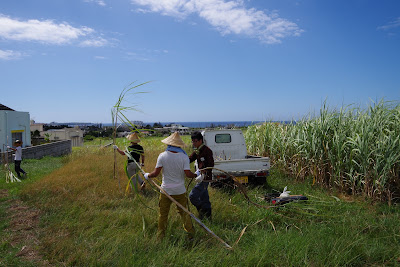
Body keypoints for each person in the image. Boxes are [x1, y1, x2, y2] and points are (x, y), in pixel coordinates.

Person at [144, 132, 203, 240]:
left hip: (165, 191)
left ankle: (160, 236)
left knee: (163, 215)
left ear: (169, 144)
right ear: (179, 145)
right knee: (185, 214)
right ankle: (191, 236)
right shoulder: (184, 157)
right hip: (180, 191)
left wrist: (147, 175)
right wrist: (197, 174)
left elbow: (155, 173)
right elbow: (188, 174)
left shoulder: (162, 156)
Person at [189, 131, 214, 220]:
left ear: (200, 141)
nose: (194, 143)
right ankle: (208, 217)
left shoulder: (207, 151)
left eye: (195, 141)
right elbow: (190, 159)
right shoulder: (197, 151)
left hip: (205, 178)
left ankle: (201, 210)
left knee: (192, 196)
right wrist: (181, 160)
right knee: (204, 198)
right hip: (200, 178)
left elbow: (211, 165)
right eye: (192, 141)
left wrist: (203, 171)